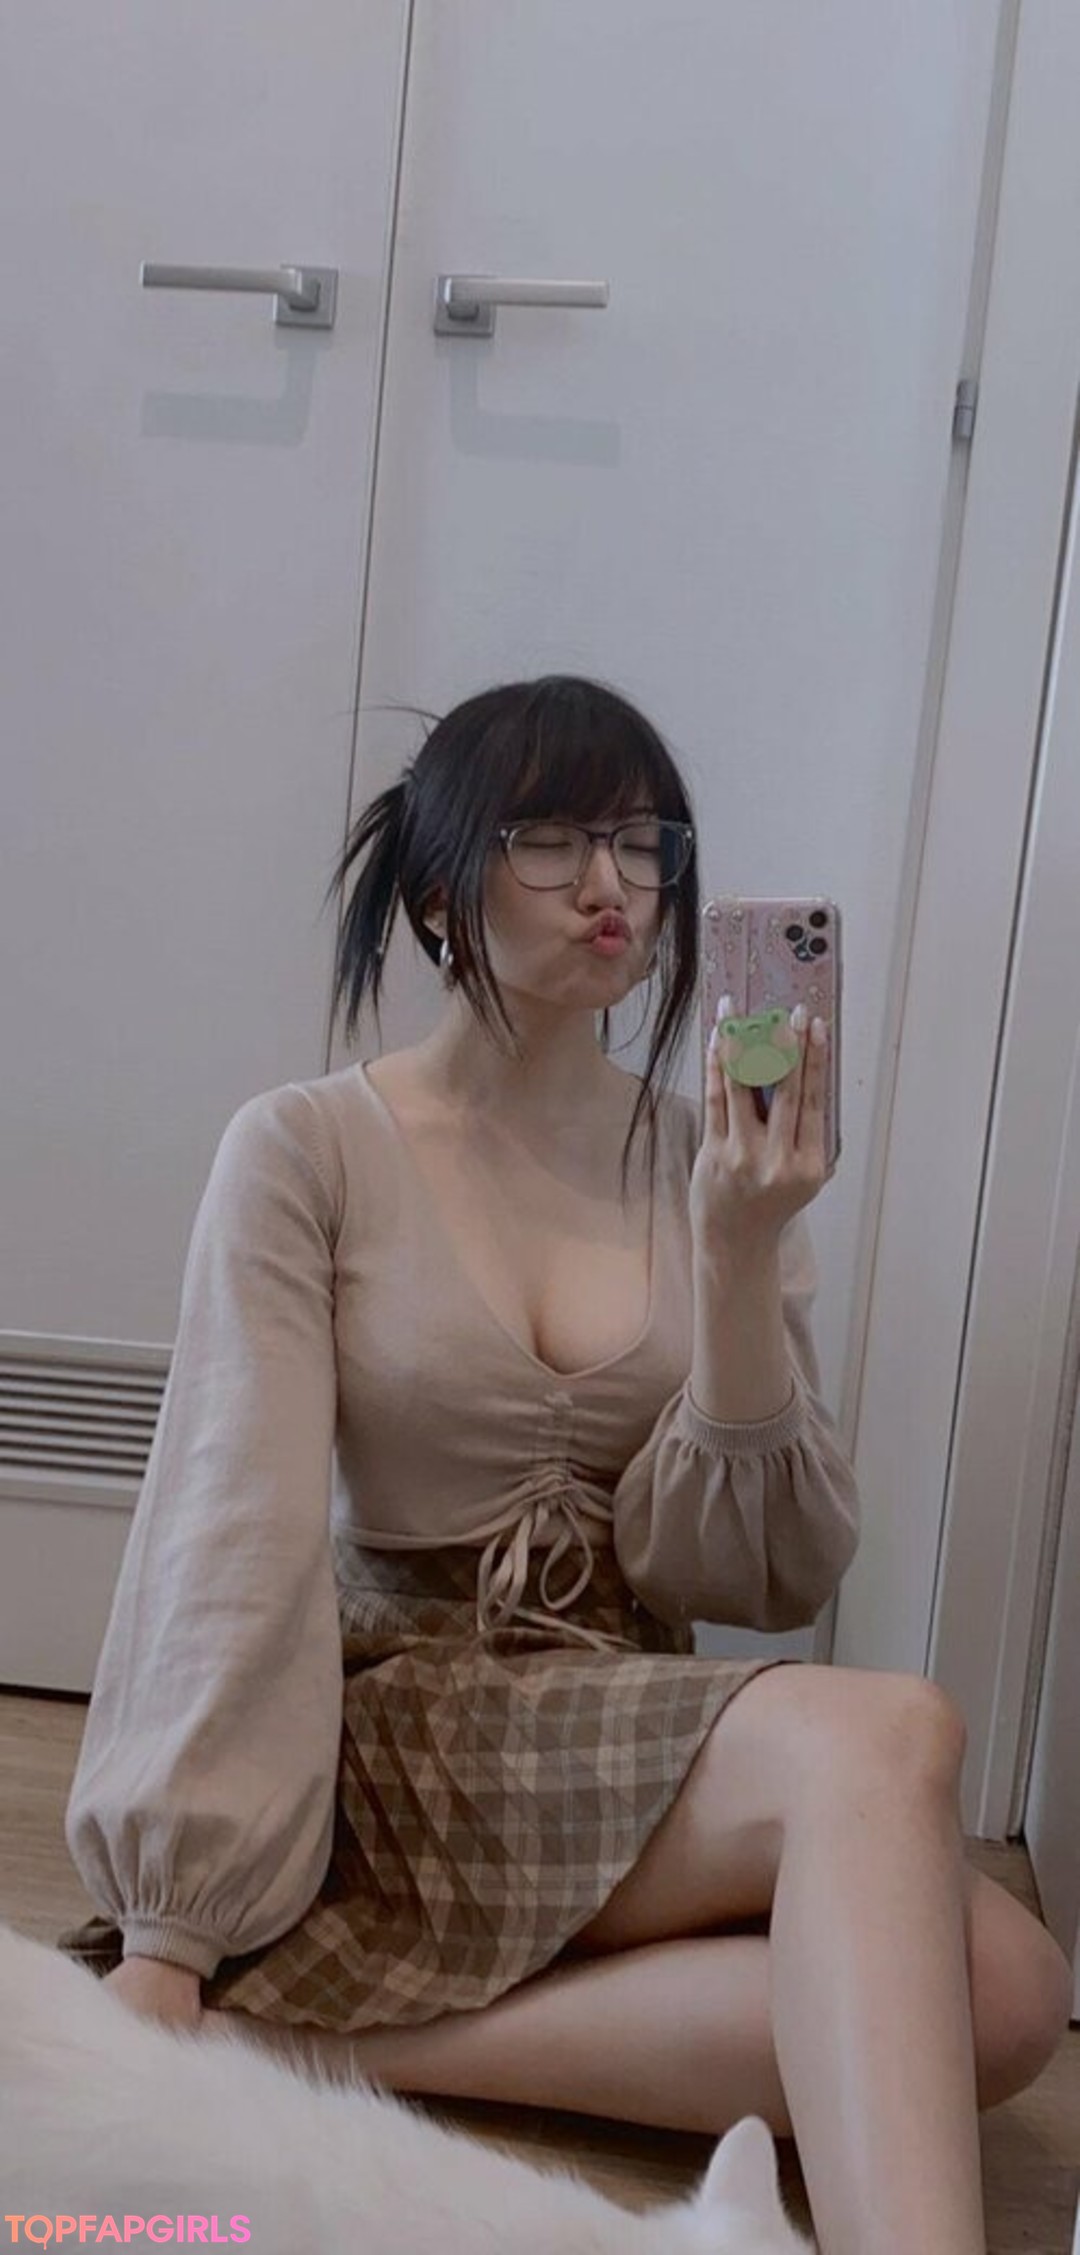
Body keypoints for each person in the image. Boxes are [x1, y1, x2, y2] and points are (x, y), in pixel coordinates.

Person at [60, 675, 1070, 2254]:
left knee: (1009, 1993)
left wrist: (738, 1251)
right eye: (551, 840)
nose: (613, 884)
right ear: (436, 896)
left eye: (642, 841)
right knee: (887, 1733)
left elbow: (748, 1577)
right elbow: (226, 1529)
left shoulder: (706, 1161)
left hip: (617, 1707)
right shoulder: (309, 1147)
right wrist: (172, 1928)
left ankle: (332, 2048)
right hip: (399, 1720)